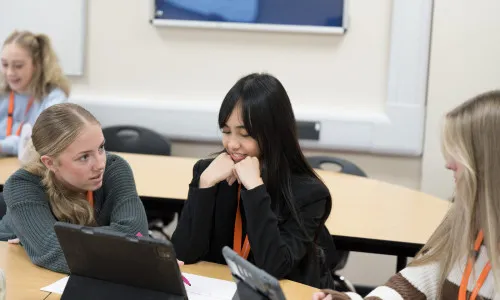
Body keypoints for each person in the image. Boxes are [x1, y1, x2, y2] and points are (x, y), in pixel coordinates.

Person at [313, 90, 500, 299]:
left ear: (487, 165)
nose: (448, 164)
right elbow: (411, 285)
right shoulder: (464, 223)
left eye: (460, 153)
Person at [172, 73, 336, 288]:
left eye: (245, 134)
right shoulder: (210, 173)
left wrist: (255, 189)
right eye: (226, 131)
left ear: (274, 133)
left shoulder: (309, 194)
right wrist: (204, 185)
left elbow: (274, 267)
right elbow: (183, 254)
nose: (232, 144)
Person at [0, 103, 149, 273]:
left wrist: (43, 240)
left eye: (100, 148)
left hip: (84, 276)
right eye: (84, 157)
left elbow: (136, 235)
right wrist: (126, 246)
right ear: (50, 163)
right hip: (19, 272)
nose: (100, 164)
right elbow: (56, 253)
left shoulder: (114, 168)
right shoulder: (23, 185)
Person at [0, 30, 69, 156]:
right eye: (4, 64)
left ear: (37, 65)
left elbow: (37, 143)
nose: (9, 72)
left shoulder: (54, 98)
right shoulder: (3, 94)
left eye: (18, 66)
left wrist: (3, 146)